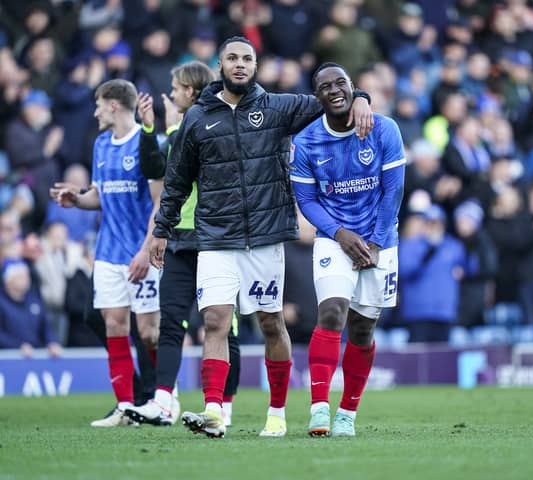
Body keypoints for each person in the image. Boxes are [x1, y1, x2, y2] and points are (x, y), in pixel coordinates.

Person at [151, 36, 373, 439]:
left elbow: (330, 96)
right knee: (215, 320)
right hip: (216, 237)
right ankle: (214, 410)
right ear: (220, 65)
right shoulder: (197, 119)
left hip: (266, 239)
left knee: (271, 323)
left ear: (255, 65)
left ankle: (276, 413)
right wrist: (161, 231)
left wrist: (361, 96)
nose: (240, 64)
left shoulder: (277, 107)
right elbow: (178, 181)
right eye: (232, 58)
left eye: (247, 59)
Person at [290, 62, 405, 436]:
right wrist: (340, 235)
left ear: (354, 88)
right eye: (326, 86)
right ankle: (320, 408)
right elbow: (306, 200)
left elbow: (394, 191)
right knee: (332, 313)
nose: (334, 90)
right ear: (317, 96)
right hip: (333, 237)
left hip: (380, 240)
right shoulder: (307, 141)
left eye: (341, 83)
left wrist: (374, 241)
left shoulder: (384, 129)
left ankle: (347, 414)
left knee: (361, 331)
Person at [125, 61, 241, 427]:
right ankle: (162, 402)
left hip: (214, 239)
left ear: (190, 91)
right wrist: (148, 128)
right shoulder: (177, 131)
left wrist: (171, 127)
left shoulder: (214, 126)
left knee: (221, 326)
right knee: (171, 323)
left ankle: (223, 406)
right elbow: (155, 168)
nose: (171, 94)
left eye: (176, 88)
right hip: (179, 238)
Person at [52, 79, 162, 426]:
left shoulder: (149, 144)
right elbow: (99, 194)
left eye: (99, 103)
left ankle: (161, 400)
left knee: (149, 333)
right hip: (108, 252)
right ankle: (126, 407)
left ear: (114, 105)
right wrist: (77, 199)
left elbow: (160, 203)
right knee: (114, 326)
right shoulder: (101, 144)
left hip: (142, 253)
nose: (96, 110)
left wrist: (147, 250)